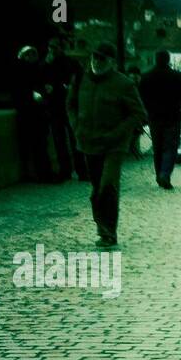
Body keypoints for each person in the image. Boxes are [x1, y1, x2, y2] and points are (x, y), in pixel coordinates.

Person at [67, 41, 147, 246]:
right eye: (94, 57)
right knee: (96, 189)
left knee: (108, 186)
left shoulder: (123, 83)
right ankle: (101, 228)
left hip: (114, 146)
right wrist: (77, 127)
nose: (96, 61)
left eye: (101, 58)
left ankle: (109, 232)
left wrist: (118, 133)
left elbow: (138, 114)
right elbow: (70, 105)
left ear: (111, 62)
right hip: (88, 143)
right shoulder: (80, 79)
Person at [138, 50, 181, 189]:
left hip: (154, 117)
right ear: (168, 60)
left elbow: (141, 98)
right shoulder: (176, 76)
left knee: (157, 147)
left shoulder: (146, 77)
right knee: (170, 147)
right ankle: (165, 174)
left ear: (155, 59)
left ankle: (159, 175)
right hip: (173, 116)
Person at [12, 45, 53, 182]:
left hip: (37, 113)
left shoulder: (35, 70)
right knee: (34, 145)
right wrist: (32, 94)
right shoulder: (20, 70)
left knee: (39, 145)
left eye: (32, 55)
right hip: (28, 113)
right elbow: (19, 91)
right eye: (27, 55)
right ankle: (40, 174)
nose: (30, 57)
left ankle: (42, 174)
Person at [41, 38, 81, 180]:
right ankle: (66, 170)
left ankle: (81, 170)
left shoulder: (70, 63)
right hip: (55, 106)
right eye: (50, 47)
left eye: (54, 47)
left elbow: (76, 82)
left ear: (61, 48)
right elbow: (41, 81)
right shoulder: (47, 64)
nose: (51, 50)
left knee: (74, 139)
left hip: (68, 105)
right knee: (59, 140)